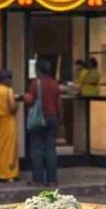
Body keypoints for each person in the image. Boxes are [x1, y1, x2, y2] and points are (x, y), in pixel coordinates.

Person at [24, 58, 62, 187]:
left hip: (39, 119)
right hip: (53, 118)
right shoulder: (55, 84)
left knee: (37, 148)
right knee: (51, 148)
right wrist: (59, 119)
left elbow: (29, 100)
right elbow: (59, 104)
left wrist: (24, 97)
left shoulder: (36, 84)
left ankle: (38, 179)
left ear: (38, 70)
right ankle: (52, 179)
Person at [0, 69, 19, 182]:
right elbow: (12, 107)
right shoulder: (8, 91)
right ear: (6, 79)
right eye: (10, 79)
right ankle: (9, 174)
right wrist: (17, 107)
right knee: (9, 148)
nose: (11, 82)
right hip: (7, 121)